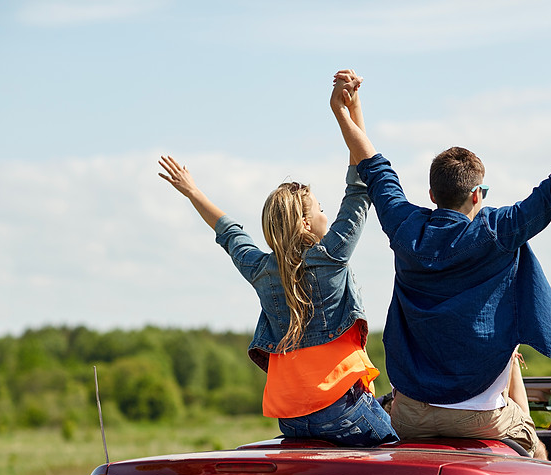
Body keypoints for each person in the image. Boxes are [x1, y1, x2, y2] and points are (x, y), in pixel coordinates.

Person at [330, 68, 551, 458]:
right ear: (476, 195)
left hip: (411, 414)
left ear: (432, 193)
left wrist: (347, 111)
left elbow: (373, 167)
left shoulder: (404, 226)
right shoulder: (498, 231)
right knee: (544, 452)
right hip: (481, 417)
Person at [157, 80, 398, 447]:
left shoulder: (261, 270)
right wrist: (350, 111)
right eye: (319, 209)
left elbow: (229, 232)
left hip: (292, 420)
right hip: (341, 409)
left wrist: (192, 191)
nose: (325, 214)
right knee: (398, 452)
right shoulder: (332, 256)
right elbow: (361, 182)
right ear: (305, 223)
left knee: (385, 407)